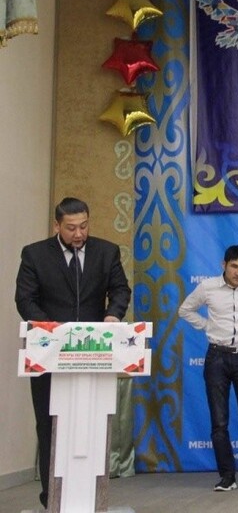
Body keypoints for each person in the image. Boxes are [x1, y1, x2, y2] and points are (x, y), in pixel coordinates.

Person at [15, 197, 132, 509]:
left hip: (94, 354)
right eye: (71, 228)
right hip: (49, 355)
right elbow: (25, 299)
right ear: (57, 226)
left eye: (83, 226)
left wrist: (113, 315)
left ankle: (91, 498)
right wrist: (49, 326)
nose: (79, 234)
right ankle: (51, 498)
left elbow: (121, 289)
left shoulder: (106, 251)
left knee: (92, 425)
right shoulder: (35, 254)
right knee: (50, 425)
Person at [178, 244, 238, 492]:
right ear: (224, 265)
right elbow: (185, 310)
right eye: (234, 266)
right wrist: (207, 326)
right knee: (219, 422)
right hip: (216, 357)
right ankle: (227, 476)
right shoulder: (207, 287)